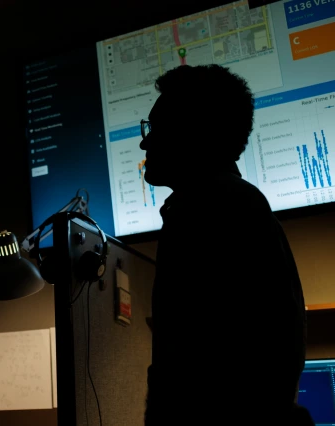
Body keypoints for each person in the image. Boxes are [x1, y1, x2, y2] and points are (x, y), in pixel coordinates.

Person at [140, 65, 315, 425]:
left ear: (192, 134)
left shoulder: (209, 209)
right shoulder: (232, 203)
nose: (145, 141)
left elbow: (192, 371)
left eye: (155, 129)